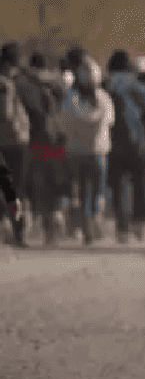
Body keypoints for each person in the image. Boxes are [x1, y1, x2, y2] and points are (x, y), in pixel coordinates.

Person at [106, 49, 145, 243]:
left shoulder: (105, 88)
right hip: (138, 144)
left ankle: (121, 228)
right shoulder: (138, 88)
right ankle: (139, 225)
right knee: (140, 184)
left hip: (111, 145)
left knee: (117, 186)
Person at [57, 57, 115, 245]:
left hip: (75, 152)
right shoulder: (104, 99)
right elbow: (111, 122)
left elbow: (62, 125)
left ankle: (82, 229)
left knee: (80, 193)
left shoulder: (69, 99)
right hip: (98, 152)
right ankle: (96, 226)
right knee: (98, 191)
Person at [1, 43, 45, 246]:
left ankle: (4, 225)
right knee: (17, 188)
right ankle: (18, 234)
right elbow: (37, 112)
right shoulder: (23, 83)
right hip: (18, 141)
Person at [25, 51, 69, 246]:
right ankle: (58, 215)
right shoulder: (59, 84)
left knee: (41, 188)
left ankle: (47, 230)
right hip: (58, 142)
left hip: (36, 143)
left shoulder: (26, 85)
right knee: (57, 184)